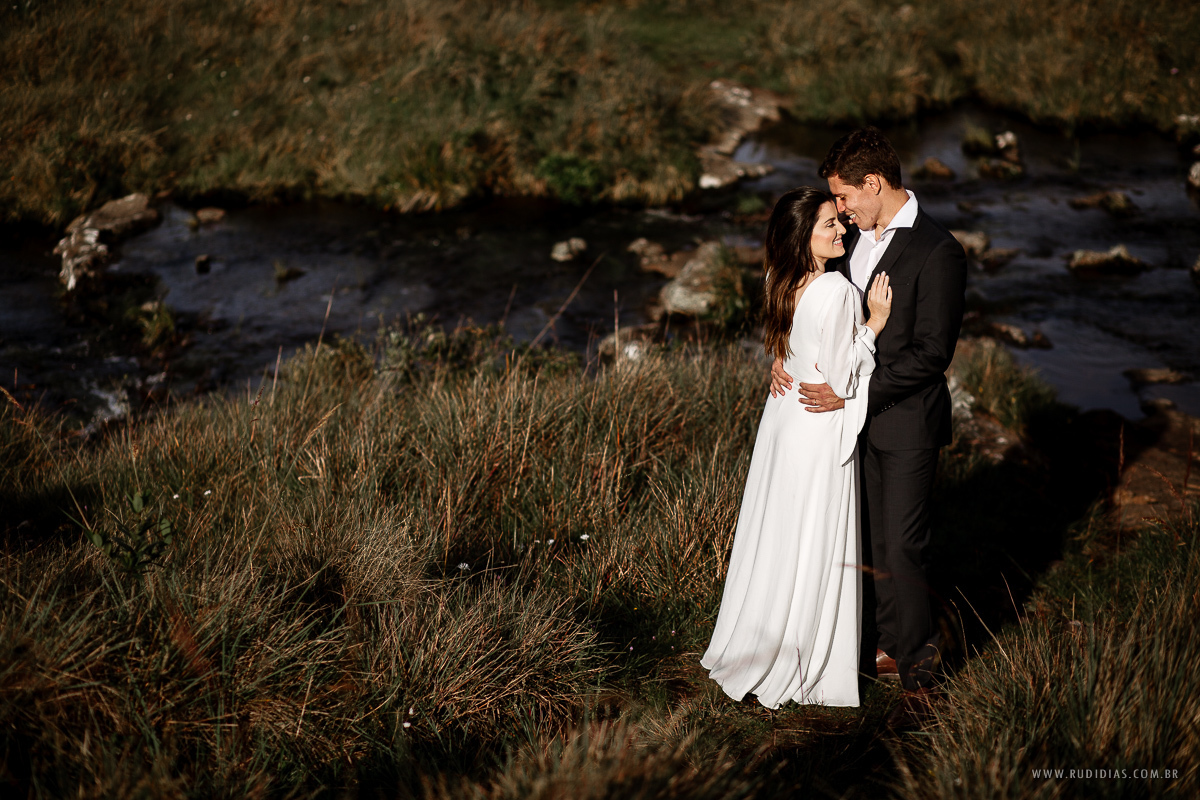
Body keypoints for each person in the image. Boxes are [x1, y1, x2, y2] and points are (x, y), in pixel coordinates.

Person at [770, 127, 967, 725]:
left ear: (873, 183)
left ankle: (920, 673)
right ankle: (882, 645)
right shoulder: (848, 242)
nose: (841, 211)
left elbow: (933, 353)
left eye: (845, 198)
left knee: (904, 545)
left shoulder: (939, 251)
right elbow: (811, 301)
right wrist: (786, 355)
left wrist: (852, 391)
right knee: (868, 541)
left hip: (904, 422)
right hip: (844, 424)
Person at [700, 187, 892, 709]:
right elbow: (842, 373)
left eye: (839, 220)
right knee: (813, 536)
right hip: (815, 428)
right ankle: (805, 655)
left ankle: (762, 635)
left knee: (781, 531)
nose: (842, 230)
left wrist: (783, 360)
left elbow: (789, 343)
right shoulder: (836, 291)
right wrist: (873, 324)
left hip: (783, 422)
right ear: (801, 235)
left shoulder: (780, 279)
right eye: (828, 224)